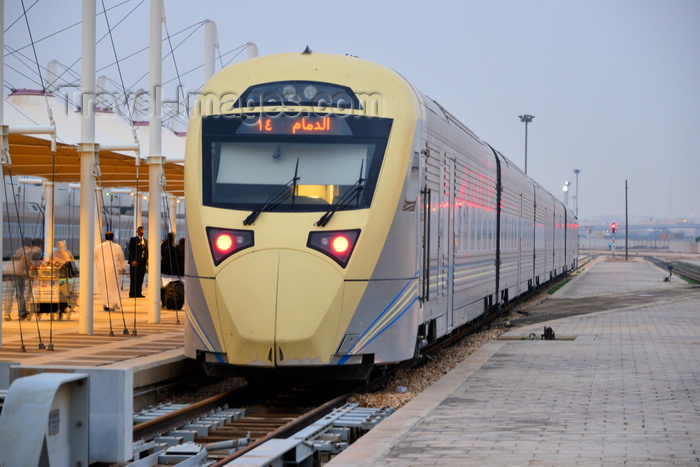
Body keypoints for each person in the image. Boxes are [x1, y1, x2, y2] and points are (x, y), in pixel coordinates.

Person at [94, 231, 125, 311]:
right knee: (114, 286)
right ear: (113, 238)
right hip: (112, 268)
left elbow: (95, 257)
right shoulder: (117, 247)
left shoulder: (99, 246)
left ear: (105, 237)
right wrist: (121, 267)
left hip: (102, 268)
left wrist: (98, 265)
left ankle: (107, 303)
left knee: (104, 286)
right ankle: (113, 302)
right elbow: (121, 258)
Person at [3, 239, 31, 320]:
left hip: (8, 273)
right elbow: (25, 262)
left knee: (9, 293)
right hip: (17, 274)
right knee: (20, 294)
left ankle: (7, 314)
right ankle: (22, 314)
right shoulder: (28, 251)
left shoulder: (17, 251)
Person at [128, 226, 148, 298]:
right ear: (137, 231)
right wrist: (133, 260)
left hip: (143, 262)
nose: (141, 231)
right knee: (134, 278)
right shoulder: (133, 240)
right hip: (135, 262)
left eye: (142, 230)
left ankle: (139, 293)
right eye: (140, 230)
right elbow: (131, 250)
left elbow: (146, 251)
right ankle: (132, 293)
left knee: (140, 278)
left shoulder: (145, 241)